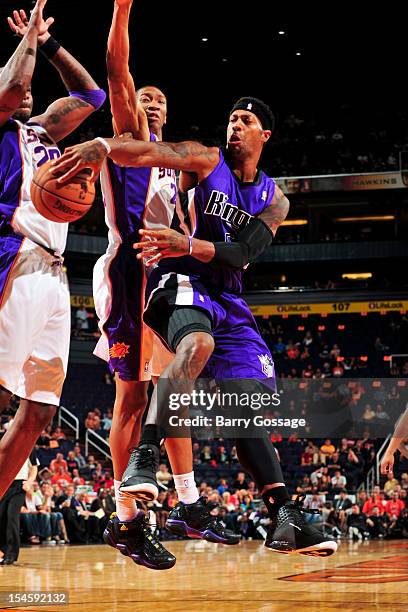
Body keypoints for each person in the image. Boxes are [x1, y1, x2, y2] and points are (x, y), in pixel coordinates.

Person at [53, 96, 337, 557]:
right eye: (231, 118)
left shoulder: (275, 200)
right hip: (179, 281)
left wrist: (187, 240)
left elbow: (241, 254)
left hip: (228, 298)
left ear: (265, 135)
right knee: (196, 344)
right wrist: (104, 145)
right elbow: (150, 153)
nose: (235, 126)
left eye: (246, 121)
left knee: (246, 409)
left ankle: (284, 517)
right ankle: (146, 455)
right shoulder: (206, 159)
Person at [0, 0, 105, 499]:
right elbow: (14, 87)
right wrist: (25, 41)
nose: (27, 93)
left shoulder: (39, 131)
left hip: (56, 272)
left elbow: (91, 95)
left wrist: (48, 44)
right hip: (14, 256)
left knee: (38, 409)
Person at [0, 440, 39, 565]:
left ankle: (11, 554)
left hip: (19, 486)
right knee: (1, 517)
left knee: (12, 517)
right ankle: (2, 551)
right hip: (3, 484)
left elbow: (34, 468)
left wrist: (29, 482)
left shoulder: (28, 448)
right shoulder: (4, 446)